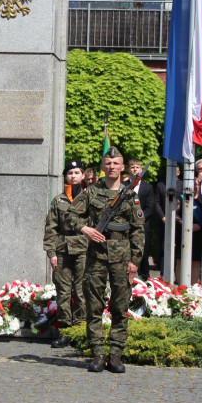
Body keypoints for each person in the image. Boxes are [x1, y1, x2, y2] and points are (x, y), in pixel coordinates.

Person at [69, 146, 144, 374]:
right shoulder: (91, 193)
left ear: (123, 167)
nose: (112, 167)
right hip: (96, 256)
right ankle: (98, 354)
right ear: (102, 168)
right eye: (108, 163)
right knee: (93, 306)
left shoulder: (130, 195)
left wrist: (135, 260)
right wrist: (86, 229)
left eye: (116, 163)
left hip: (122, 258)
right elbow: (69, 214)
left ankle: (116, 355)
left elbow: (138, 230)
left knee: (120, 307)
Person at [43, 160, 88, 348]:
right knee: (62, 290)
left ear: (83, 175)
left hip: (84, 250)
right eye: (70, 173)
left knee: (81, 291)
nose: (73, 176)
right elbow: (51, 227)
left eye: (77, 172)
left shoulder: (89, 198)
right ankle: (65, 330)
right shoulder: (58, 200)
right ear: (65, 176)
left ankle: (80, 330)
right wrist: (51, 252)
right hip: (62, 250)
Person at [126, 159, 155, 279]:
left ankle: (144, 281)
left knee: (142, 256)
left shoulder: (148, 187)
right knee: (127, 255)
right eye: (132, 167)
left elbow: (150, 207)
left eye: (137, 167)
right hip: (126, 226)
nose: (135, 169)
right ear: (128, 170)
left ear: (141, 170)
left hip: (142, 226)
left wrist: (139, 220)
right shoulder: (123, 186)